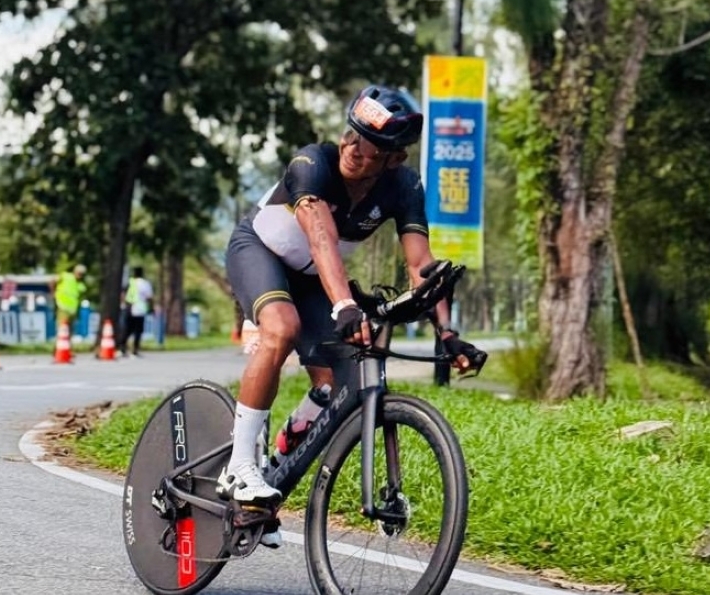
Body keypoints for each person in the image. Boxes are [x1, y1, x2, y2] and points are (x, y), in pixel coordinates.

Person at [218, 84, 485, 543]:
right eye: (351, 134)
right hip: (260, 252)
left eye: (369, 146)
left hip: (313, 280)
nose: (352, 148)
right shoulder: (312, 162)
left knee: (341, 384)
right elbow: (320, 236)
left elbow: (421, 264)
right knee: (282, 328)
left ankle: (272, 474)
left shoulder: (404, 186)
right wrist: (344, 304)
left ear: (394, 158)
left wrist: (448, 332)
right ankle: (239, 470)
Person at [119, 266, 154, 357]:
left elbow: (123, 294)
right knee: (138, 330)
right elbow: (149, 297)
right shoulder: (145, 284)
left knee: (127, 329)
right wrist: (151, 308)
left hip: (129, 307)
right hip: (140, 308)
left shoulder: (130, 282)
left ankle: (122, 347)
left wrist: (123, 304)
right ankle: (135, 349)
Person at [51, 264, 87, 333]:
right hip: (62, 306)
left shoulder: (81, 285)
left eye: (82, 274)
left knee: (70, 330)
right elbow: (53, 281)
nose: (80, 275)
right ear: (75, 271)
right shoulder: (66, 276)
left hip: (72, 310)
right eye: (79, 273)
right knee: (62, 328)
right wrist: (53, 293)